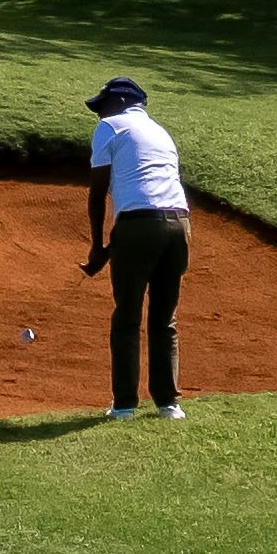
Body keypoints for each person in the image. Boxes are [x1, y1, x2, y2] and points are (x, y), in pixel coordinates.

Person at [79, 74, 183, 420]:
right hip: (179, 226)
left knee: (127, 316)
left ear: (121, 102)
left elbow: (97, 193)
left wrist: (98, 247)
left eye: (102, 106)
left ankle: (124, 405)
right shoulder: (161, 132)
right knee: (164, 318)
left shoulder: (111, 127)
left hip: (138, 225)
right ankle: (169, 404)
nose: (99, 114)